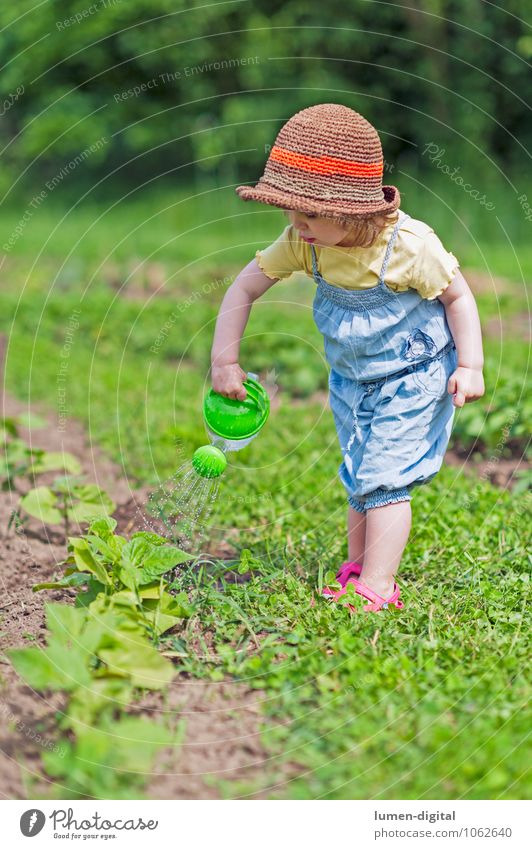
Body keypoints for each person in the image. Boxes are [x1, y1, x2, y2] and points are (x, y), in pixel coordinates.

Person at [210, 103, 484, 613]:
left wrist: (470, 366)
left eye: (308, 213)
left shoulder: (408, 246)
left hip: (415, 376)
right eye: (289, 212)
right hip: (353, 380)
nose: (296, 224)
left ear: (351, 210)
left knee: (384, 476)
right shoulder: (304, 241)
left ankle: (379, 587)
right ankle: (359, 568)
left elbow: (458, 297)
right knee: (360, 474)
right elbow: (242, 291)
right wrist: (224, 360)